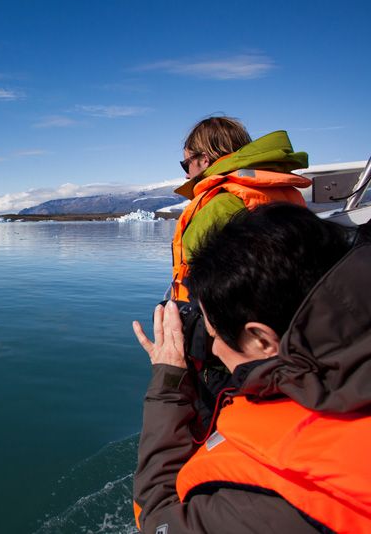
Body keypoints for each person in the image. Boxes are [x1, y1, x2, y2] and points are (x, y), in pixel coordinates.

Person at [131, 204, 371, 533]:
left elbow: (158, 520)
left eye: (215, 335)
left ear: (261, 339)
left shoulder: (262, 511)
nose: (213, 348)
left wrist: (168, 381)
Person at [170, 117, 311, 302]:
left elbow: (204, 282)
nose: (186, 173)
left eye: (186, 163)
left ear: (204, 159)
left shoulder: (219, 206)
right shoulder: (276, 192)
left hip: (223, 321)